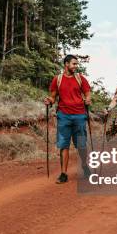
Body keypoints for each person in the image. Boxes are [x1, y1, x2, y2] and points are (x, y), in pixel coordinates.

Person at [44, 55, 92, 183]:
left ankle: (84, 165)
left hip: (80, 115)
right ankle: (63, 174)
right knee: (63, 145)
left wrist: (88, 99)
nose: (76, 66)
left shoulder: (80, 78)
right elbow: (53, 97)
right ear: (66, 64)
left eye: (77, 64)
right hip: (63, 115)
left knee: (81, 145)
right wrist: (49, 101)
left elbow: (87, 92)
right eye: (74, 64)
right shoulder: (57, 79)